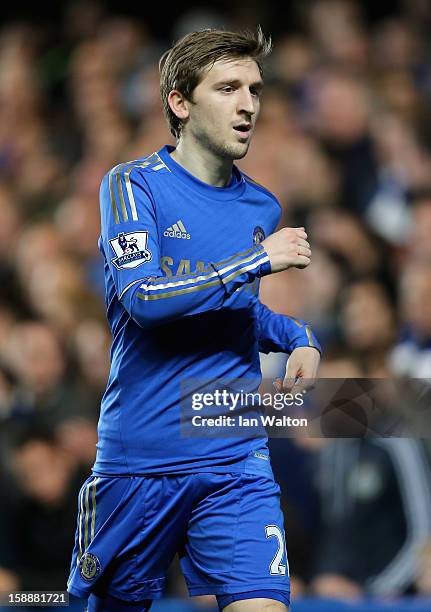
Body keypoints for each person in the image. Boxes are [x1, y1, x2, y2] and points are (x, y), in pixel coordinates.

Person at [67, 27, 321, 612]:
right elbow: (144, 299)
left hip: (234, 454)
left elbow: (237, 309)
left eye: (255, 89)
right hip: (141, 463)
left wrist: (298, 335)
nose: (248, 104)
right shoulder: (131, 186)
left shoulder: (261, 206)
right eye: (228, 88)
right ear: (181, 103)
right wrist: (259, 258)